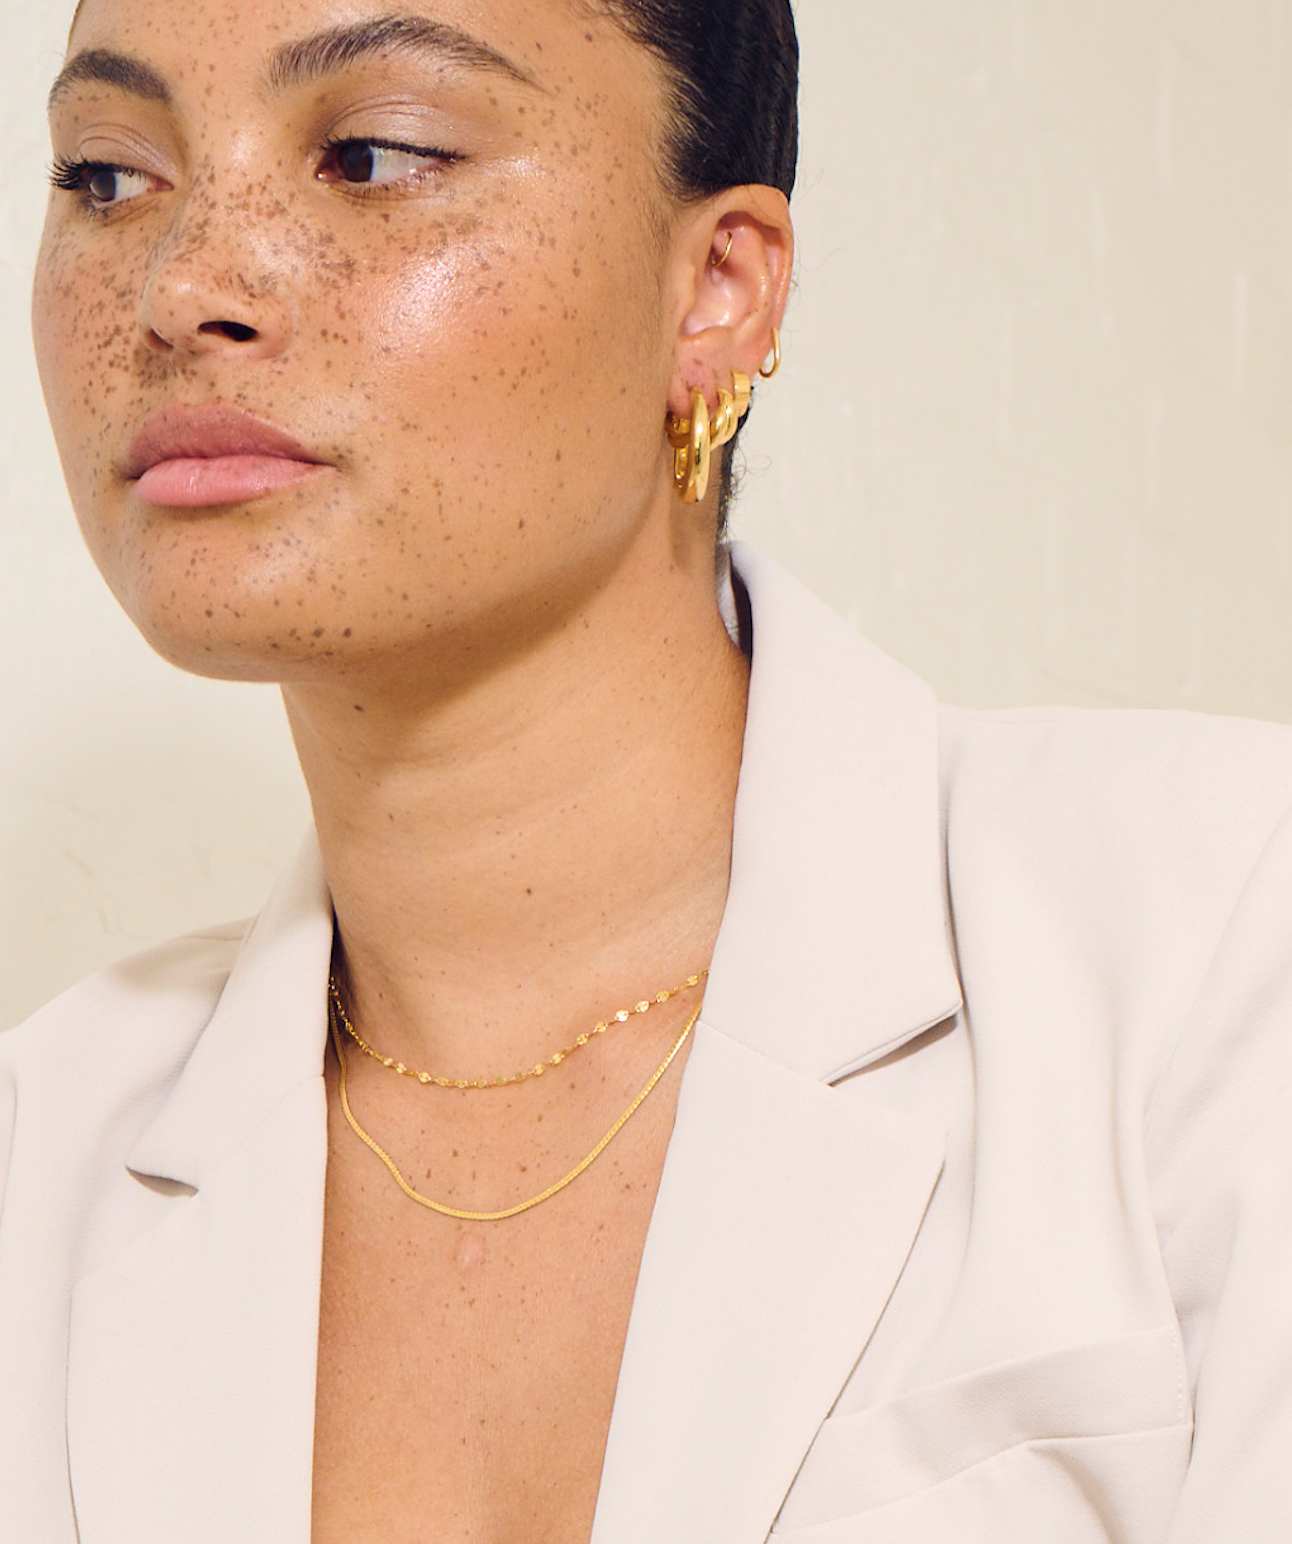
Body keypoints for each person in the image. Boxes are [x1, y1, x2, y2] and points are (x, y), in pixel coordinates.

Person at [7, 0, 1292, 1540]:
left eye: (373, 155)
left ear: (718, 290)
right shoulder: (35, 1167)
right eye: (106, 175)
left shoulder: (1221, 945)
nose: (184, 285)